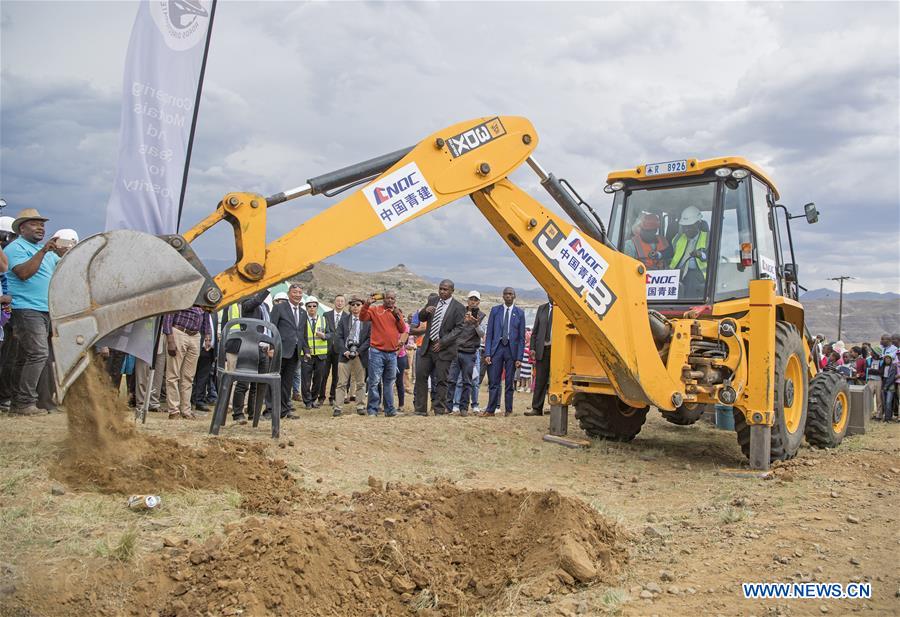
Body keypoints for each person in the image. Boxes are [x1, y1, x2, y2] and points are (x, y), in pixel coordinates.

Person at [4, 209, 59, 415]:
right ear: (21, 228)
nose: (41, 228)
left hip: (44, 310)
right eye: (35, 224)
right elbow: (24, 273)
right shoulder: (16, 248)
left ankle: (18, 403)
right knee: (38, 354)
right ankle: (25, 402)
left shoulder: (46, 253)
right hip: (26, 308)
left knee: (25, 357)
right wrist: (43, 251)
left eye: (42, 225)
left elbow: (63, 271)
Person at [413, 280, 466, 417]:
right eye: (440, 289)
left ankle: (439, 410)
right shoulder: (433, 300)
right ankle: (420, 409)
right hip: (427, 346)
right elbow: (421, 318)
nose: (442, 291)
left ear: (452, 291)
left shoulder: (458, 307)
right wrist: (425, 310)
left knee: (441, 380)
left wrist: (443, 342)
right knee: (420, 376)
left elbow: (459, 328)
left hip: (444, 348)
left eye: (445, 289)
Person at [360, 290, 406, 417]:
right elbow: (362, 317)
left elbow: (402, 329)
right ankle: (373, 409)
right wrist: (366, 305)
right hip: (377, 352)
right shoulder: (375, 310)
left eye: (393, 298)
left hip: (392, 353)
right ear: (384, 298)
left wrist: (398, 316)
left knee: (389, 382)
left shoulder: (397, 312)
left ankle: (389, 410)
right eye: (388, 298)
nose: (391, 300)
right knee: (374, 381)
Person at [162, 306, 212, 419]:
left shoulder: (201, 296)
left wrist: (207, 335)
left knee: (189, 376)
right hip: (179, 332)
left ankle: (186, 410)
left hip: (195, 335)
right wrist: (170, 338)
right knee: (173, 374)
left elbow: (206, 314)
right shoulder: (181, 291)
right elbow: (168, 314)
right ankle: (174, 410)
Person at [482, 287, 526, 417]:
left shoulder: (520, 313)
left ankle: (509, 410)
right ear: (503, 296)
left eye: (510, 294)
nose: (508, 296)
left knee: (509, 382)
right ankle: (490, 410)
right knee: (494, 381)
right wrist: (488, 353)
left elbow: (522, 338)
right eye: (506, 294)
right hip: (497, 349)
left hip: (511, 351)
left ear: (514, 296)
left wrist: (519, 357)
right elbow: (489, 333)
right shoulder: (495, 311)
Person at [269, 282, 306, 420]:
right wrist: (271, 347)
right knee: (273, 380)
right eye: (295, 292)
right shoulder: (279, 308)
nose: (297, 295)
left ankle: (284, 410)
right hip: (280, 350)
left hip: (295, 352)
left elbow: (302, 332)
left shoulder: (302, 312)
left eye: (300, 293)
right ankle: (270, 410)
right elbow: (272, 328)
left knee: (287, 383)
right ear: (289, 293)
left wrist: (305, 349)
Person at [446, 291, 486, 416]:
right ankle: (450, 406)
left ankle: (464, 407)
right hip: (456, 351)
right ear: (467, 300)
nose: (473, 301)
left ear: (479, 302)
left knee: (467, 381)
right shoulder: (459, 313)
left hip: (470, 352)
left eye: (476, 299)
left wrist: (476, 324)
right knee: (452, 380)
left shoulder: (482, 316)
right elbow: (453, 329)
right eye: (471, 299)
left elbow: (482, 334)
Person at [333, 296, 370, 417]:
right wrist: (344, 351)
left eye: (358, 304)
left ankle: (360, 405)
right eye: (353, 304)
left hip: (360, 354)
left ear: (362, 306)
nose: (355, 307)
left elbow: (369, 338)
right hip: (345, 355)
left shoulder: (367, 321)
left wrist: (359, 351)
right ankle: (338, 407)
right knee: (341, 382)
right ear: (350, 306)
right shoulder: (344, 320)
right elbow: (338, 337)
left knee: (360, 382)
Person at [669, 205, 708, 298]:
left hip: (699, 275)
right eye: (685, 227)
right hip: (676, 273)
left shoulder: (708, 238)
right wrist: (658, 255)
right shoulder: (678, 238)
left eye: (690, 226)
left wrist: (700, 254)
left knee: (691, 277)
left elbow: (712, 256)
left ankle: (689, 309)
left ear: (698, 224)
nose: (687, 229)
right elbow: (669, 252)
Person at [300, 296, 331, 409]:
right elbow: (301, 337)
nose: (312, 308)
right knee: (306, 380)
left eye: (314, 306)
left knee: (318, 379)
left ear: (317, 307)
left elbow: (330, 334)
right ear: (306, 308)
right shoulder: (302, 320)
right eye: (309, 306)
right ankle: (307, 401)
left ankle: (313, 399)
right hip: (306, 355)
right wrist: (305, 350)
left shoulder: (323, 320)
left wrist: (324, 336)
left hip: (320, 355)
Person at [527, 297, 553, 416]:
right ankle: (537, 408)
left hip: (557, 350)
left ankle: (554, 408)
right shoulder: (542, 309)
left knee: (554, 380)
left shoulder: (562, 309)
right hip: (542, 350)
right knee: (540, 380)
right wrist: (532, 348)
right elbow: (535, 331)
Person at [321, 294, 347, 405]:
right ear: (334, 302)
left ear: (344, 303)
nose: (339, 303)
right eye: (338, 301)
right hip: (326, 348)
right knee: (323, 374)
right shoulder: (326, 315)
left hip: (339, 350)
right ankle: (320, 397)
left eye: (342, 301)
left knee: (337, 376)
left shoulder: (347, 317)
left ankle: (333, 397)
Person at [880, 355, 896, 422]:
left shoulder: (893, 367)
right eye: (886, 358)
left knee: (888, 402)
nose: (887, 360)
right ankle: (886, 417)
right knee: (884, 402)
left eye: (888, 358)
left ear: (891, 359)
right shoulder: (883, 367)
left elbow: (892, 378)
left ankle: (888, 418)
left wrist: (886, 386)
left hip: (890, 386)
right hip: (884, 385)